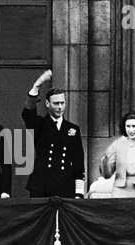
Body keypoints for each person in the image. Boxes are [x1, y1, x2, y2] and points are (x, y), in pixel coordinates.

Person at [21, 70, 85, 198]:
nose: (60, 107)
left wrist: (79, 193)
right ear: (47, 104)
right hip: (41, 185)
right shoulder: (39, 124)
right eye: (56, 103)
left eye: (62, 103)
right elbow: (27, 114)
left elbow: (78, 163)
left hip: (65, 186)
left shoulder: (72, 129)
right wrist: (36, 86)